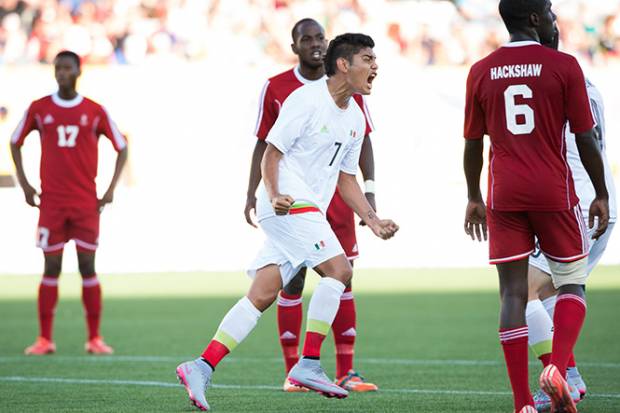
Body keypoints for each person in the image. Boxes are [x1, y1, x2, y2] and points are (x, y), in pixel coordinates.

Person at [177, 33, 398, 411]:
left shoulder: (356, 117)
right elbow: (271, 152)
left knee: (261, 295)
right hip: (287, 203)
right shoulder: (306, 100)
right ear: (344, 64)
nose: (375, 66)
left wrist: (373, 220)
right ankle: (309, 362)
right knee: (340, 271)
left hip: (300, 209)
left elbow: (347, 179)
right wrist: (274, 192)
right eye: (368, 58)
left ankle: (201, 365)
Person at [462, 1, 609, 412]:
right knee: (571, 282)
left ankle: (522, 403)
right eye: (548, 11)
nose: (552, 18)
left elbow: (473, 144)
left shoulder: (481, 70)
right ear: (532, 18)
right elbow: (586, 138)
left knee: (512, 294)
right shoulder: (563, 66)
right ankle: (559, 370)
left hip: (504, 194)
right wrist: (601, 192)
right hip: (553, 191)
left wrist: (474, 195)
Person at [245, 18, 378, 393]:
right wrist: (258, 192)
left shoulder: (352, 101)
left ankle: (345, 371)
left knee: (342, 273)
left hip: (334, 198)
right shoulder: (282, 89)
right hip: (294, 199)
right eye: (308, 39)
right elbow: (266, 146)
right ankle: (298, 371)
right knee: (299, 280)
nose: (316, 43)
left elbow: (361, 144)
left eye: (321, 37)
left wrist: (370, 199)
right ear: (295, 47)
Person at [11, 50, 128, 355]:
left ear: (78, 72)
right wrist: (24, 184)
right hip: (51, 203)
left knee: (88, 265)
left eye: (67, 68)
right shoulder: (39, 108)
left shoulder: (95, 111)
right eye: (58, 68)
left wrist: (111, 189)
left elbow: (122, 146)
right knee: (51, 266)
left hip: (85, 203)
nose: (62, 73)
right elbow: (15, 141)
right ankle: (44, 339)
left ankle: (94, 338)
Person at [526, 24, 617, 412]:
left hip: (576, 204)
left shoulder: (555, 81)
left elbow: (584, 140)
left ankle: (557, 378)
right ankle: (571, 378)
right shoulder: (580, 77)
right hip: (595, 200)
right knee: (556, 292)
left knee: (521, 292)